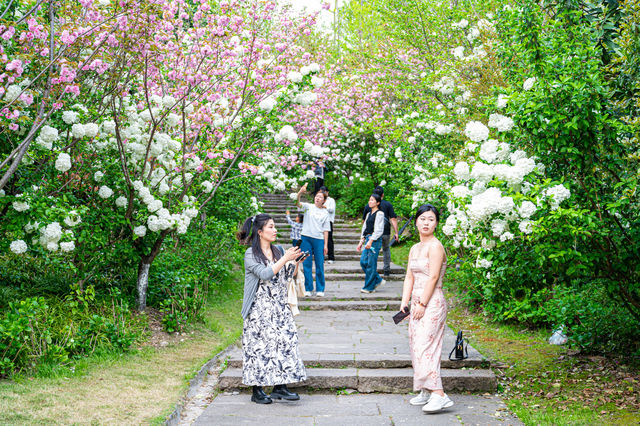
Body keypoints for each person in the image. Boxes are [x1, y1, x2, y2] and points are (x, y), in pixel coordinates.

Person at [237, 213, 307, 404]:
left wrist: (295, 263)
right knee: (259, 347)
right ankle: (257, 390)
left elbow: (284, 278)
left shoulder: (278, 250)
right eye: (270, 227)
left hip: (279, 306)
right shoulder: (251, 254)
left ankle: (280, 387)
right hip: (259, 308)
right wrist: (285, 258)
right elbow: (266, 274)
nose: (275, 230)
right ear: (260, 232)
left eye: (275, 226)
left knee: (286, 342)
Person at [400, 204, 453, 413]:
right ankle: (425, 388)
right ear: (416, 221)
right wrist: (405, 303)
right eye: (423, 218)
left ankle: (439, 393)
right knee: (415, 345)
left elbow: (432, 277)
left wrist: (422, 303)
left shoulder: (435, 246)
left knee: (425, 346)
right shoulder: (415, 248)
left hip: (431, 302)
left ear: (436, 223)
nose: (426, 223)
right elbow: (409, 276)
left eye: (431, 219)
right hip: (415, 301)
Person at [296, 183, 331, 297]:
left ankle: (320, 289)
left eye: (320, 197)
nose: (317, 198)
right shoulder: (308, 207)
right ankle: (308, 288)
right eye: (316, 196)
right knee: (306, 264)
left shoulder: (325, 213)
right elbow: (297, 203)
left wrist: (325, 245)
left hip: (319, 240)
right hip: (306, 238)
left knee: (319, 265)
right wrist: (300, 193)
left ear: (324, 201)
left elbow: (326, 230)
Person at [362, 186, 398, 278]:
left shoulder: (368, 205)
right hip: (385, 232)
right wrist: (396, 232)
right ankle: (386, 270)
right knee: (386, 249)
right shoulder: (388, 204)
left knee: (372, 253)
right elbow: (393, 219)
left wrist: (363, 235)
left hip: (371, 234)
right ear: (383, 195)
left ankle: (372, 271)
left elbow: (364, 222)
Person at [357, 193, 386, 293]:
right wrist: (361, 241)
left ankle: (369, 287)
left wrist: (371, 241)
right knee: (363, 262)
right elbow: (364, 228)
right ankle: (377, 280)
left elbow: (379, 230)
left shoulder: (380, 214)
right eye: (369, 200)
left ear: (378, 203)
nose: (370, 201)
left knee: (371, 264)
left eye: (372, 200)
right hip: (368, 238)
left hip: (375, 240)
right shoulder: (369, 214)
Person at [319, 186, 336, 264]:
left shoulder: (331, 200)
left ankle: (331, 257)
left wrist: (324, 207)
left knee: (329, 239)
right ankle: (321, 257)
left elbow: (332, 209)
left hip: (328, 221)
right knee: (320, 239)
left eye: (323, 192)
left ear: (327, 192)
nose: (322, 193)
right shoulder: (319, 199)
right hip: (320, 221)